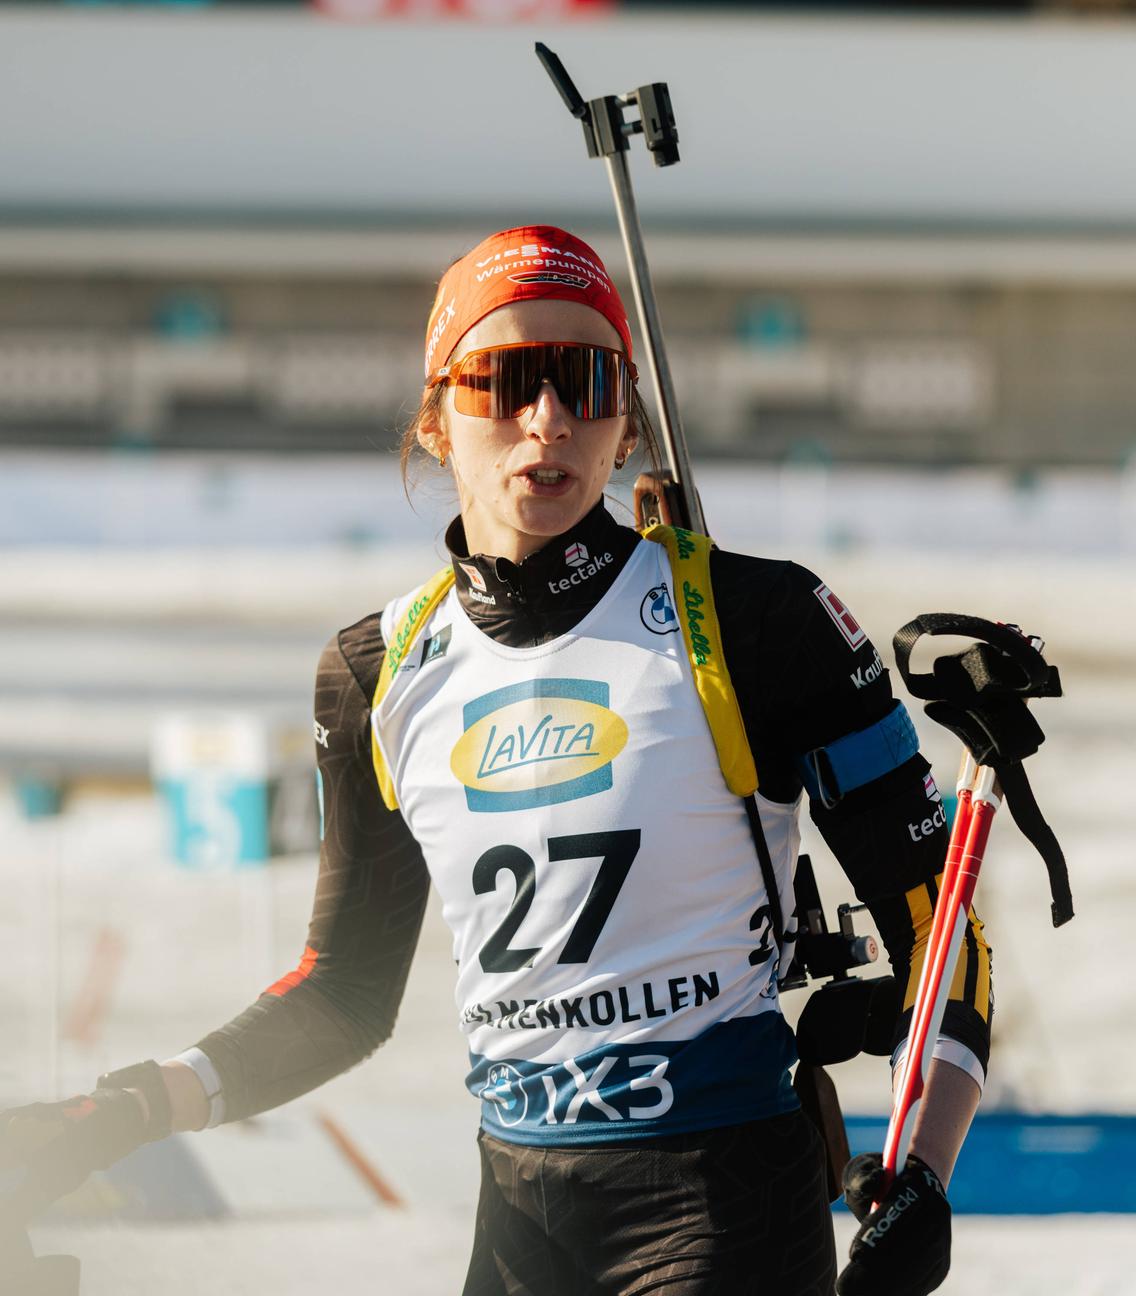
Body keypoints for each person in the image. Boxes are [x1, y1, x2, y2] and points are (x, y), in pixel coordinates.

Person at [2, 226, 991, 1296]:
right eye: (505, 381)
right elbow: (343, 995)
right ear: (435, 418)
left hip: (725, 1196)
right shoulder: (376, 671)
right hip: (519, 1211)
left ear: (626, 421)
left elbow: (945, 926)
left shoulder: (752, 618)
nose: (549, 419)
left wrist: (923, 1175)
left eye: (587, 380)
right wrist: (125, 1109)